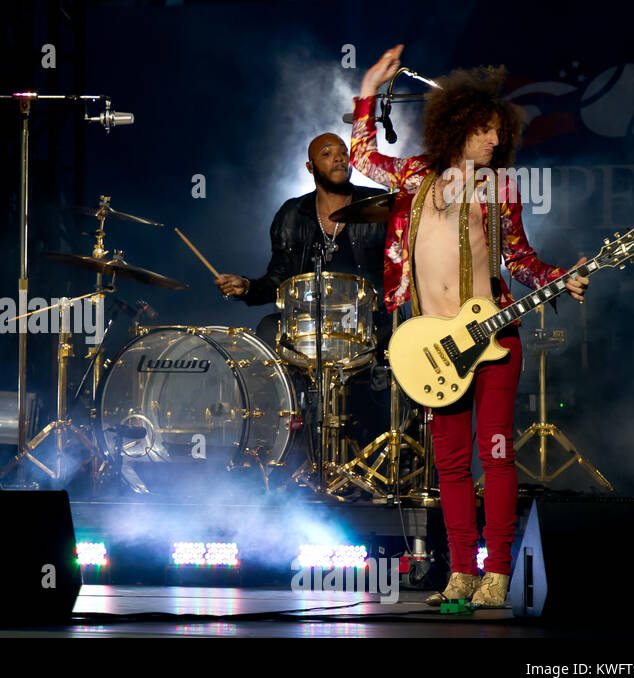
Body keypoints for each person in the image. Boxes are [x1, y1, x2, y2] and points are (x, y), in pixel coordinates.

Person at [352, 46, 589, 607]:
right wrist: (367, 88)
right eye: (484, 131)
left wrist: (563, 276)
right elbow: (363, 156)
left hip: (494, 342)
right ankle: (460, 571)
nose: (493, 142)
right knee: (452, 463)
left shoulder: (498, 191)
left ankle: (498, 573)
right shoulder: (413, 177)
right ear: (458, 126)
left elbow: (522, 261)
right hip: (433, 343)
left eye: (497, 134)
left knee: (498, 453)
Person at [215, 132, 387, 346]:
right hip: (310, 321)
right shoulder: (291, 214)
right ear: (310, 167)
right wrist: (247, 287)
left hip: (368, 319)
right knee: (269, 328)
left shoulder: (379, 204)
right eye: (327, 153)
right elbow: (279, 280)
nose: (340, 158)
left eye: (344, 153)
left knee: (392, 333)